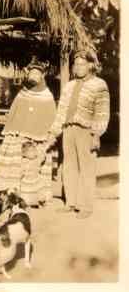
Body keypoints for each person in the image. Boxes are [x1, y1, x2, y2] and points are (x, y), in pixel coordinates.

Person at [47, 49, 110, 219]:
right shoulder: (69, 85)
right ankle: (71, 203)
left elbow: (102, 112)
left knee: (87, 168)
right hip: (68, 130)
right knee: (68, 166)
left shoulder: (99, 85)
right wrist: (54, 131)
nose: (79, 67)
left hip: (87, 130)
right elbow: (62, 110)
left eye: (83, 64)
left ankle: (85, 206)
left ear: (90, 65)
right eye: (76, 64)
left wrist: (97, 133)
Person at [0, 60, 57, 207]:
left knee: (34, 168)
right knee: (15, 168)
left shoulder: (47, 96)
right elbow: (15, 113)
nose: (34, 75)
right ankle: (11, 195)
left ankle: (36, 197)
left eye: (37, 73)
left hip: (37, 139)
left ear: (42, 76)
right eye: (31, 72)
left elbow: (50, 118)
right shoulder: (22, 93)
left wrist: (45, 139)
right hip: (18, 136)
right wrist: (12, 133)